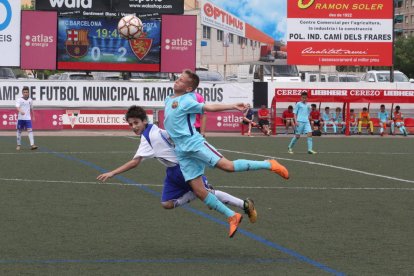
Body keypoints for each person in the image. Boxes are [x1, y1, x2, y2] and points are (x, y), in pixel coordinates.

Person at [164, 69, 289, 238]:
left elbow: (209, 107)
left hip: (193, 144)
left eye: (181, 80)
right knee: (200, 192)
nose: (177, 81)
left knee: (228, 166)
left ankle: (270, 164)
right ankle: (232, 216)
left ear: (188, 88)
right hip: (182, 152)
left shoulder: (187, 100)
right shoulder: (168, 99)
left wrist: (232, 105)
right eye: (178, 78)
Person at [96, 105, 257, 224]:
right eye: (130, 124)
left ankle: (243, 204)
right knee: (167, 203)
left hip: (183, 168)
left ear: (144, 121)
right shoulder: (152, 131)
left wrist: (112, 173)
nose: (133, 127)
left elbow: (135, 162)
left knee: (206, 194)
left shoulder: (150, 136)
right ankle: (199, 192)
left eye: (136, 123)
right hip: (172, 172)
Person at [15, 86, 38, 151]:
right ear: (22, 93)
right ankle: (18, 145)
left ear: (28, 93)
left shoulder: (30, 100)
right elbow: (17, 107)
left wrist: (33, 116)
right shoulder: (19, 99)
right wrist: (20, 111)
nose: (25, 93)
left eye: (27, 92)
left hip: (28, 119)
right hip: (20, 119)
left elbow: (31, 109)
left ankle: (32, 145)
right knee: (19, 131)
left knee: (30, 131)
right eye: (24, 92)